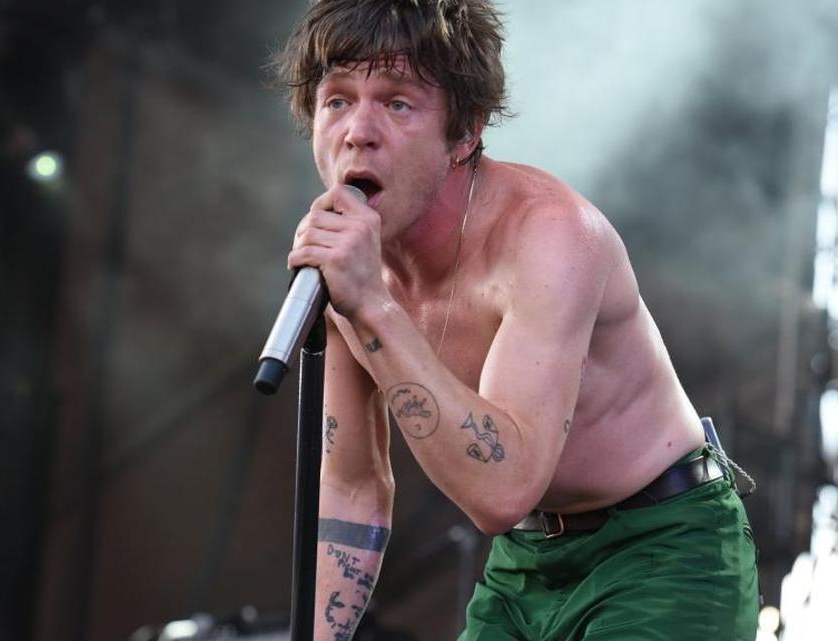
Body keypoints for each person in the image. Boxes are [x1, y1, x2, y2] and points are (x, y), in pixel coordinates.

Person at [275, 1, 759, 639]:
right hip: (528, 563)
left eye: (397, 103)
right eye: (337, 100)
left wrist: (372, 306)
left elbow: (503, 493)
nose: (358, 131)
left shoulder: (553, 236)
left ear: (466, 130)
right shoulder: (349, 270)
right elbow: (352, 491)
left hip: (666, 545)